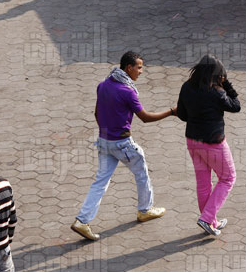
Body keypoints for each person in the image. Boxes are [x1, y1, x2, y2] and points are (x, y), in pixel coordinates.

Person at [71, 51, 177, 240]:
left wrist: (107, 132)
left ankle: (82, 220)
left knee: (100, 181)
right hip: (122, 143)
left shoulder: (103, 85)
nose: (141, 71)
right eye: (139, 67)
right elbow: (145, 117)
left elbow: (97, 113)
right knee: (141, 171)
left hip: (104, 142)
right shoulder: (127, 91)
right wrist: (171, 112)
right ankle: (145, 210)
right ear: (128, 68)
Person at [176, 54, 241, 236]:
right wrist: (227, 85)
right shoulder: (217, 93)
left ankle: (210, 221)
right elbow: (236, 106)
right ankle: (207, 218)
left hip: (192, 142)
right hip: (213, 144)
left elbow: (182, 114)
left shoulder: (186, 87)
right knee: (228, 178)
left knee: (203, 182)